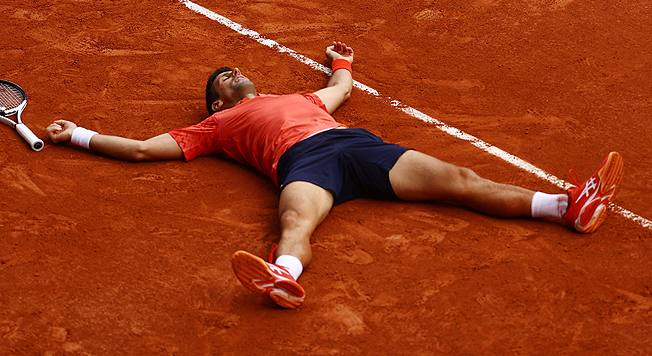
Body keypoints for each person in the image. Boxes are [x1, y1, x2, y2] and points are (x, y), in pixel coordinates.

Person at [47, 41, 624, 309]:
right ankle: (283, 275)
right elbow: (146, 149)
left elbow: (340, 91)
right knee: (296, 218)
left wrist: (340, 64)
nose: (235, 73)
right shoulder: (216, 128)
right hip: (302, 165)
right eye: (223, 77)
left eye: (236, 68)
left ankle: (563, 206)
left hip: (353, 146)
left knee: (462, 179)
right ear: (216, 104)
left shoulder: (302, 96)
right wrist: (77, 134)